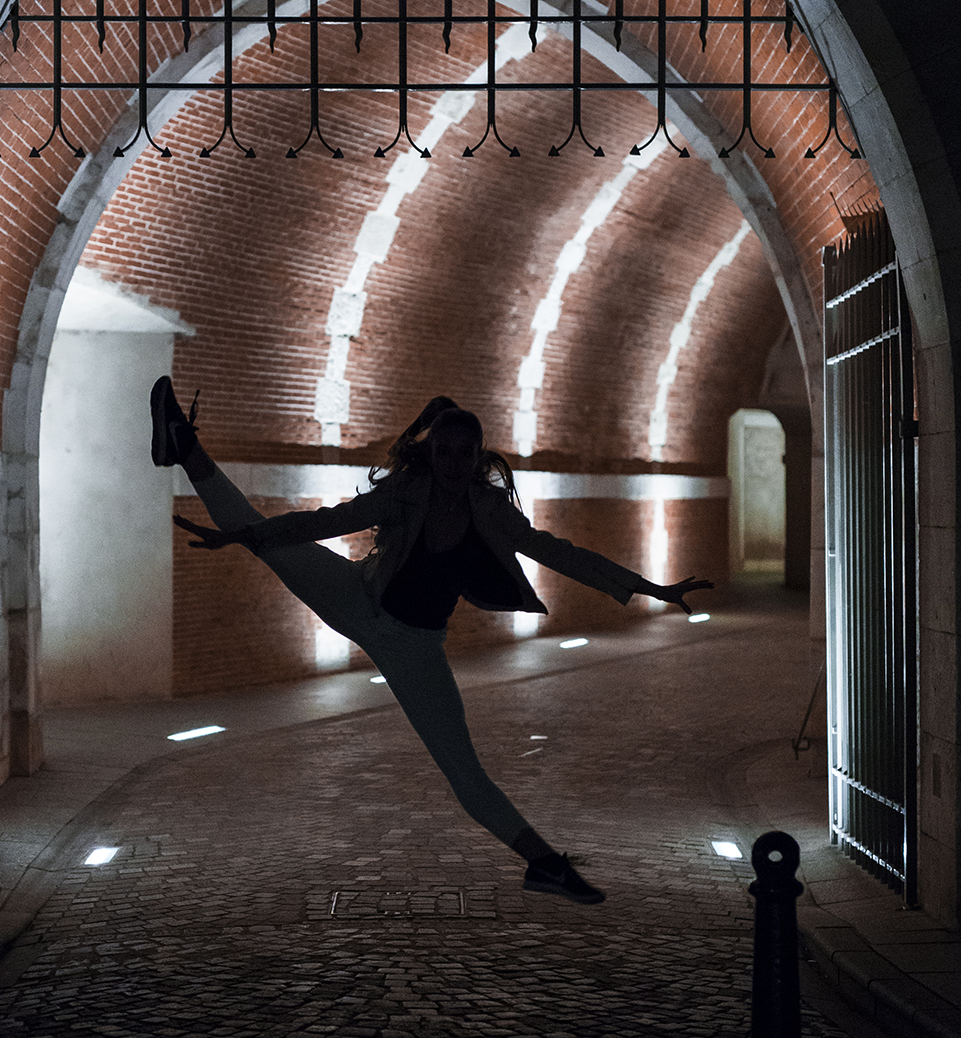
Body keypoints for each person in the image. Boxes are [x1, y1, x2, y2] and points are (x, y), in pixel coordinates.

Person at [152, 380, 711, 904]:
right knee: (266, 538)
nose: (451, 463)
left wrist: (649, 587)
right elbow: (325, 522)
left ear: (477, 458)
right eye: (443, 451)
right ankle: (183, 445)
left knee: (464, 771)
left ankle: (544, 864)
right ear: (433, 450)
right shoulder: (406, 492)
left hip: (414, 649)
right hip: (357, 598)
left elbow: (558, 552)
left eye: (463, 454)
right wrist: (242, 537)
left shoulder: (490, 510)